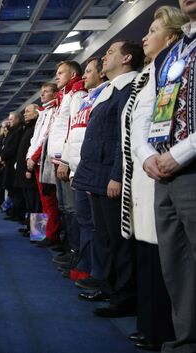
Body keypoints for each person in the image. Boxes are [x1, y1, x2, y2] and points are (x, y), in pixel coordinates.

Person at [121, 6, 187, 350]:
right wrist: (147, 156)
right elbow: (140, 122)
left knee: (172, 260)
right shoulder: (151, 72)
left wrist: (165, 156)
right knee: (160, 259)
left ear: (172, 37)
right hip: (150, 169)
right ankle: (157, 328)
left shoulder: (170, 67)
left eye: (153, 31)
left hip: (171, 167)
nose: (144, 38)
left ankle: (161, 329)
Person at [73, 39, 145, 318]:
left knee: (119, 242)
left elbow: (121, 139)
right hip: (95, 176)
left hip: (109, 178)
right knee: (104, 238)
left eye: (110, 52)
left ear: (127, 58)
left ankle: (124, 297)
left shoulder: (128, 89)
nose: (104, 57)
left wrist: (116, 176)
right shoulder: (108, 91)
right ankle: (109, 286)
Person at [146, 1, 196, 351]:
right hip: (164, 174)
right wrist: (150, 154)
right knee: (176, 267)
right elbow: (154, 110)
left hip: (189, 168)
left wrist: (179, 154)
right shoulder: (170, 54)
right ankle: (185, 341)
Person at [59, 57, 108, 289]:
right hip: (79, 170)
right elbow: (73, 134)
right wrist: (71, 169)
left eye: (89, 71)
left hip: (93, 171)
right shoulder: (84, 99)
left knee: (94, 225)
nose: (85, 76)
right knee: (83, 220)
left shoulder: (102, 96)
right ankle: (85, 266)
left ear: (102, 74)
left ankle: (96, 271)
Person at [50, 60, 87, 271]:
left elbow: (74, 130)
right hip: (58, 160)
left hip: (66, 160)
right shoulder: (65, 96)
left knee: (73, 210)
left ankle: (76, 253)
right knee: (65, 208)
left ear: (73, 75)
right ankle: (70, 249)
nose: (57, 76)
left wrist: (65, 160)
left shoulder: (77, 94)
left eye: (61, 72)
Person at [26, 83, 61, 246]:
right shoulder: (42, 115)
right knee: (40, 201)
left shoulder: (52, 112)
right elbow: (34, 141)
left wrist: (32, 157)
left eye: (46, 92)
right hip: (33, 163)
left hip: (42, 162)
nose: (42, 95)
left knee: (48, 201)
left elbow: (45, 139)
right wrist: (29, 157)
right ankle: (40, 232)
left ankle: (49, 234)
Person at [15, 104, 41, 234]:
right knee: (30, 203)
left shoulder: (37, 127)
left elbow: (34, 149)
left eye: (27, 111)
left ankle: (38, 233)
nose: (24, 114)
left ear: (36, 113)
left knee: (36, 203)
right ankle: (31, 228)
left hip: (30, 171)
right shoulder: (28, 128)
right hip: (24, 171)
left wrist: (29, 169)